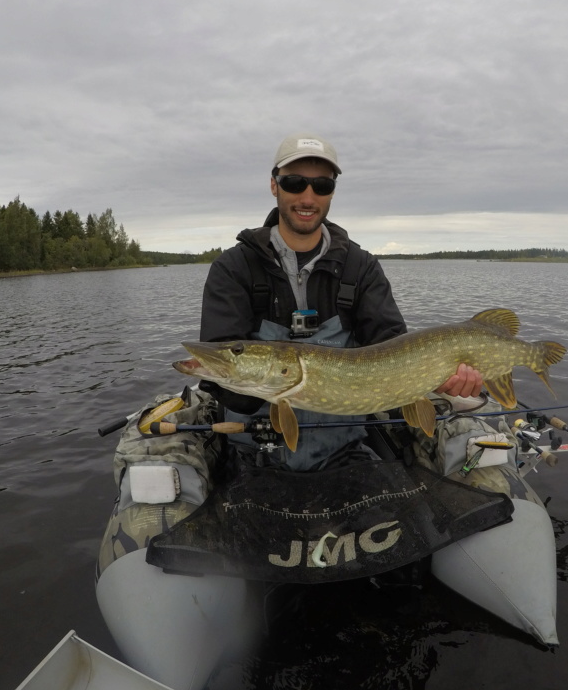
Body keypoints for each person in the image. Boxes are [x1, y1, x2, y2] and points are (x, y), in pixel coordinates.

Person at [197, 133, 483, 469]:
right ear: (274, 186)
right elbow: (223, 376)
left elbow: (391, 346)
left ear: (332, 191)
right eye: (294, 182)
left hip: (343, 453)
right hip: (252, 454)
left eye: (321, 186)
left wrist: (438, 377)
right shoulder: (234, 268)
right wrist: (264, 385)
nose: (308, 196)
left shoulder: (359, 267)